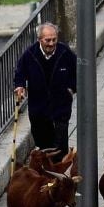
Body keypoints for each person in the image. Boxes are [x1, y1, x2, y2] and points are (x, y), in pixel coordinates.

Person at [14, 22, 77, 162]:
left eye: (54, 39)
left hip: (61, 105)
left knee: (60, 145)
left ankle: (58, 174)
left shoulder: (65, 52)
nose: (51, 43)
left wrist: (72, 89)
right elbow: (20, 73)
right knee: (43, 143)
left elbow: (78, 71)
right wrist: (20, 86)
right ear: (39, 40)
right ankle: (46, 171)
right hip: (39, 108)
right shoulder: (30, 54)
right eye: (47, 40)